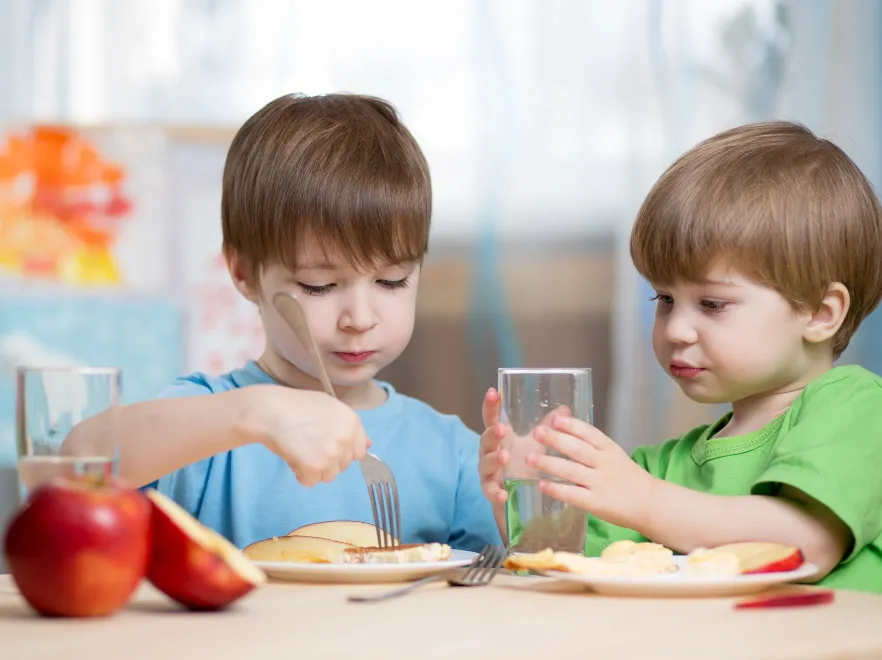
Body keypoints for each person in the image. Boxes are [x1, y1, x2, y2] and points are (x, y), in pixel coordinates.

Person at [68, 92, 500, 552]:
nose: (359, 318)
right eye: (319, 286)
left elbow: (501, 587)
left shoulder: (453, 453)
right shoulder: (210, 418)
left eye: (392, 281)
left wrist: (528, 502)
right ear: (243, 273)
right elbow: (76, 461)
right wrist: (253, 414)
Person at [478, 121, 882, 592]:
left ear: (819, 313)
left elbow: (802, 542)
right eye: (663, 298)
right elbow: (566, 566)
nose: (675, 328)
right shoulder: (661, 467)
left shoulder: (858, 409)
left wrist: (643, 500)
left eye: (712, 304)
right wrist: (525, 492)